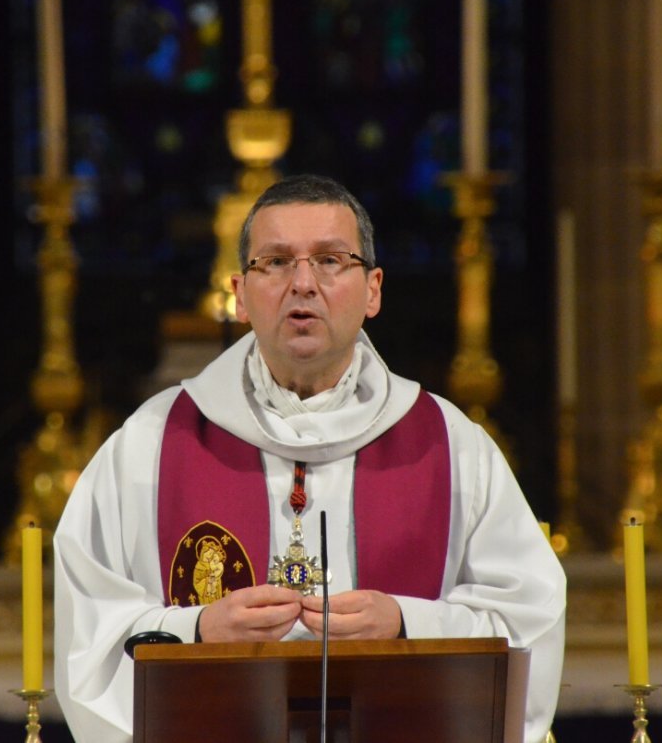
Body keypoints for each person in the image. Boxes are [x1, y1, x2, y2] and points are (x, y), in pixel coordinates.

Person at [53, 174, 566, 743]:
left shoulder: (453, 445)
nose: (302, 283)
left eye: (329, 259)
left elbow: (526, 624)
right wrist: (198, 629)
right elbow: (90, 634)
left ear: (373, 289)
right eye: (274, 262)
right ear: (240, 294)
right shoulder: (148, 444)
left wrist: (405, 624)